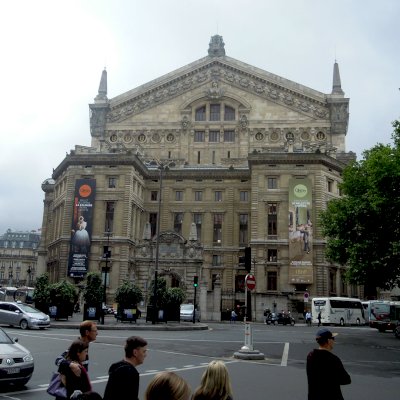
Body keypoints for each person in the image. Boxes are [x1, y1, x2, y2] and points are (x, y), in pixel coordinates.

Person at [306, 328, 351, 400]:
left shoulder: (310, 356)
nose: (334, 340)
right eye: (333, 338)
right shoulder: (334, 359)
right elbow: (346, 380)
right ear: (329, 341)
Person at [103, 336, 148, 400]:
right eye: (144, 351)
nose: (146, 355)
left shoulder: (115, 366)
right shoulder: (131, 373)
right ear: (135, 352)